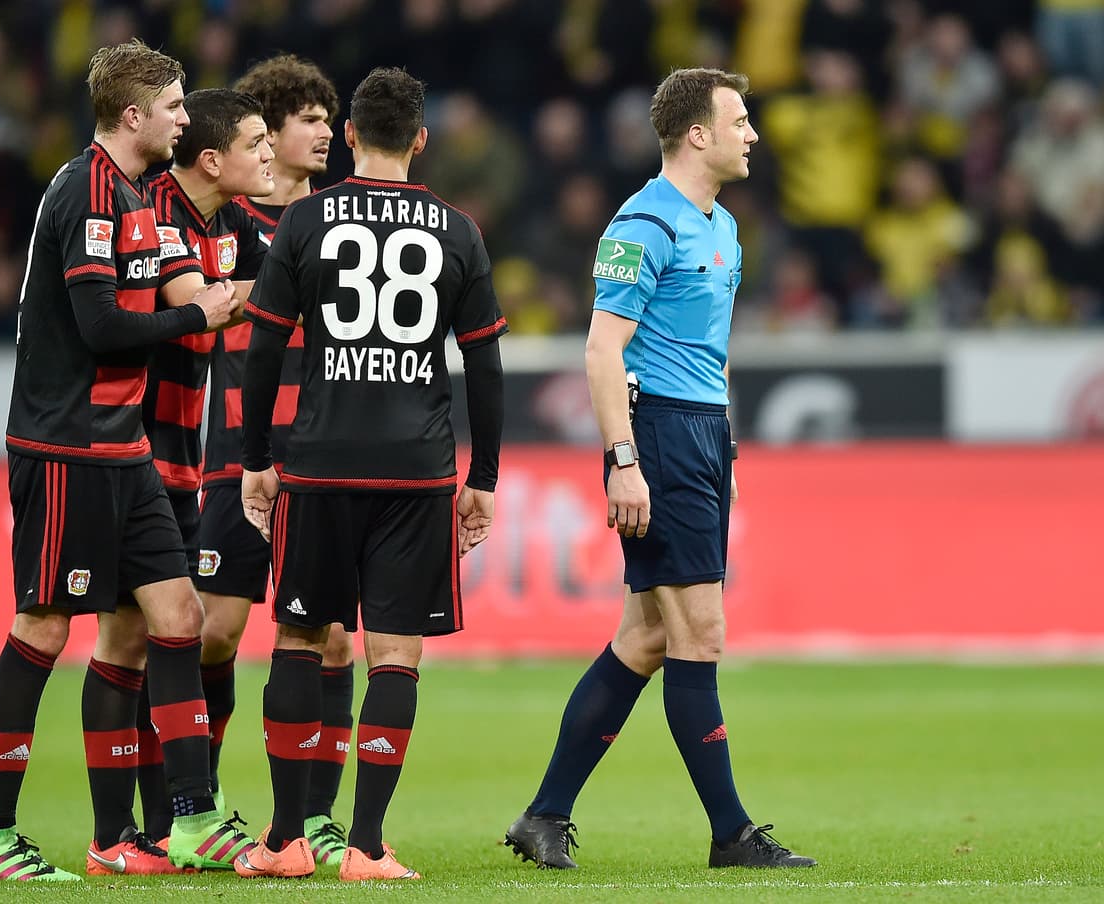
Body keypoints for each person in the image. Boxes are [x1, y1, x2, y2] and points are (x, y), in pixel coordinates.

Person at [503, 68, 817, 871]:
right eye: (739, 121)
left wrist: (727, 446)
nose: (753, 135)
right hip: (660, 437)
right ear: (698, 134)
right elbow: (602, 350)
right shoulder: (644, 224)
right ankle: (731, 834)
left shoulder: (724, 228)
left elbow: (706, 354)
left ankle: (544, 815)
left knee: (645, 640)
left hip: (702, 434)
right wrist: (624, 463)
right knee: (698, 633)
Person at [0, 40, 254, 882]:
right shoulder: (88, 188)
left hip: (123, 451)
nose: (183, 116)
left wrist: (227, 295)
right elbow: (101, 327)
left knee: (177, 617)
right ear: (134, 116)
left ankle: (190, 820)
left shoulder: (130, 195)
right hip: (66, 446)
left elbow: (184, 288)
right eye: (172, 105)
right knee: (44, 627)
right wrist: (199, 319)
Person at [234, 66, 506, 881]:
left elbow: (263, 350)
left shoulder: (306, 220)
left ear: (349, 134)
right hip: (417, 471)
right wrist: (482, 476)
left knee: (298, 637)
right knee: (396, 654)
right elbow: (485, 366)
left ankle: (284, 840)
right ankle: (366, 845)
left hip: (318, 465)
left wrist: (255, 459)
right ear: (421, 139)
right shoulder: (457, 230)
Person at [93, 87, 274, 863]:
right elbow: (201, 303)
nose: (267, 153)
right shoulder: (153, 212)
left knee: (151, 633)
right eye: (256, 140)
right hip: (119, 450)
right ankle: (167, 818)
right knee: (141, 631)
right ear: (213, 159)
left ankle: (152, 829)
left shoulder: (229, 222)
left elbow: (276, 294)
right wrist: (233, 300)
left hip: (180, 457)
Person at [189, 54, 352, 867]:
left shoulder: (338, 224)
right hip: (237, 448)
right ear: (268, 131)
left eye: (330, 117)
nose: (326, 129)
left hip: (319, 450)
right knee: (214, 630)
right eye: (310, 118)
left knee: (333, 642)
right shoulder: (222, 221)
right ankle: (202, 802)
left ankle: (316, 817)